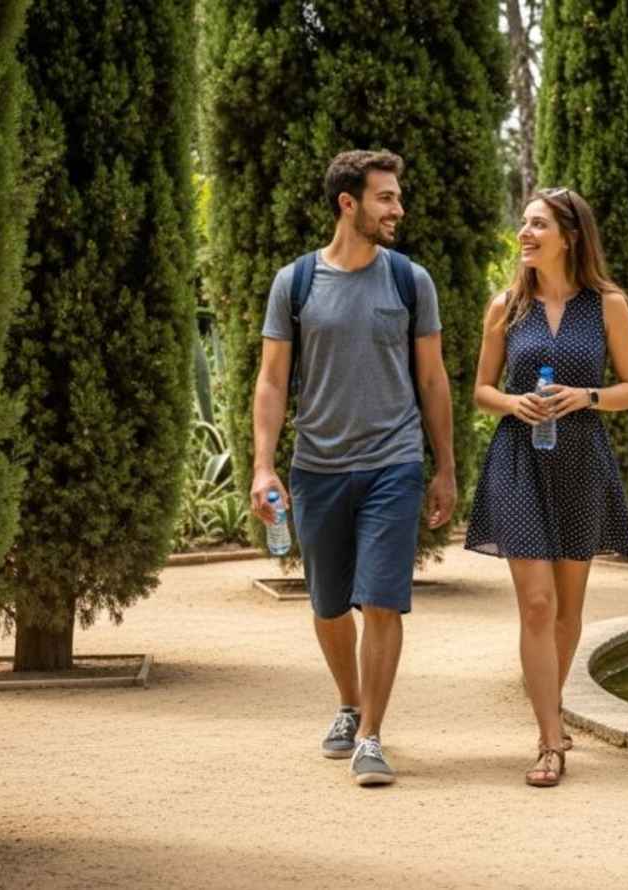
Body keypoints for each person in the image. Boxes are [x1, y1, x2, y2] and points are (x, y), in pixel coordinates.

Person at [250, 149, 456, 787]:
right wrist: (264, 466)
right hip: (317, 467)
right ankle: (349, 703)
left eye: (396, 196)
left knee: (382, 602)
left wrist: (443, 467)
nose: (398, 208)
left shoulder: (409, 280)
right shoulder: (297, 283)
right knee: (330, 603)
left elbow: (431, 378)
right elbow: (273, 380)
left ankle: (371, 735)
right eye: (386, 198)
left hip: (392, 465)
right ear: (349, 203)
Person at [464, 187, 628, 787]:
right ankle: (549, 741)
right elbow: (482, 390)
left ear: (569, 236)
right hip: (519, 457)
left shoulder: (608, 305)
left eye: (537, 224)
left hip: (581, 460)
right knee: (537, 604)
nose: (525, 233)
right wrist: (515, 403)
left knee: (568, 610)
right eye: (523, 223)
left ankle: (552, 712)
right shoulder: (505, 307)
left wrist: (586, 396)